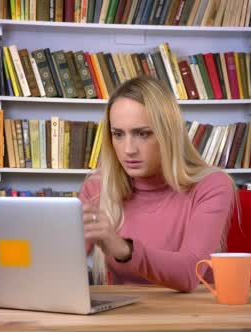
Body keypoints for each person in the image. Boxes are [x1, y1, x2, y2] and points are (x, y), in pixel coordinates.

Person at [79, 76, 236, 293]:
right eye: (118, 134)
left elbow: (191, 272)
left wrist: (124, 249)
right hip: (121, 318)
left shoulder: (211, 186)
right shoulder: (97, 187)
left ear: (168, 134)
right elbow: (59, 265)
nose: (128, 150)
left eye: (142, 134)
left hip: (193, 317)